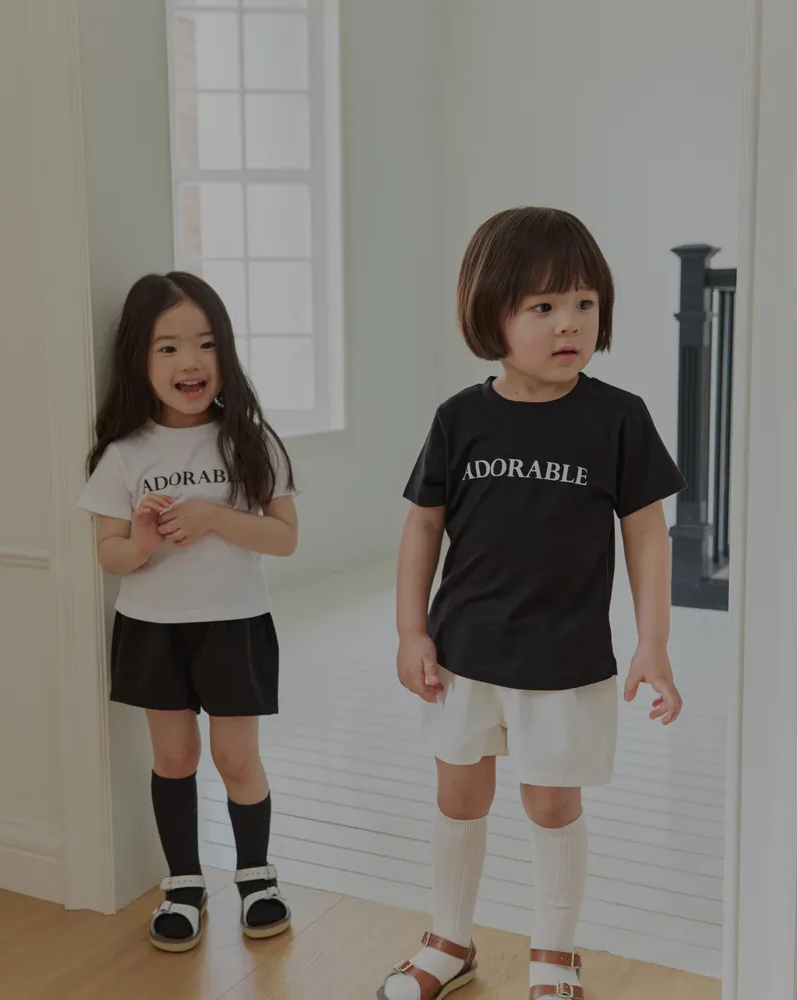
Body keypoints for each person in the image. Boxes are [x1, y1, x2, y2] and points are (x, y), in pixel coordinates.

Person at [378, 207, 686, 1000]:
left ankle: (554, 953)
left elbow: (647, 533)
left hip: (565, 655)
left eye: (584, 302)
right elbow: (422, 525)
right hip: (463, 649)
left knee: (552, 802)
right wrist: (411, 630)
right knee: (459, 794)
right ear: (492, 315)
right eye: (543, 306)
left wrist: (653, 642)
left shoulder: (617, 418)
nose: (569, 323)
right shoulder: (460, 419)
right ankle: (450, 941)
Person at [77, 271, 298, 952]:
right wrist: (143, 541)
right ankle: (183, 885)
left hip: (235, 623)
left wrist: (214, 517)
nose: (190, 361)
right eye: (167, 347)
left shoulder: (251, 441)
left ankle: (256, 878)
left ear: (224, 351)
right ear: (138, 360)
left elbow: (284, 538)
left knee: (236, 757)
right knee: (174, 756)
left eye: (205, 344)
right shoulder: (125, 454)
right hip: (152, 628)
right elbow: (109, 554)